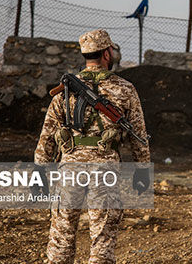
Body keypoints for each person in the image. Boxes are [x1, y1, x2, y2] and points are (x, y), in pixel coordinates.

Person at [34, 29, 151, 264]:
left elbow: (46, 138)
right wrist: (142, 170)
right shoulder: (125, 89)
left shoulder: (64, 93)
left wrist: (40, 175)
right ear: (107, 54)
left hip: (69, 169)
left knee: (61, 236)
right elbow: (138, 135)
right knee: (102, 238)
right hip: (104, 170)